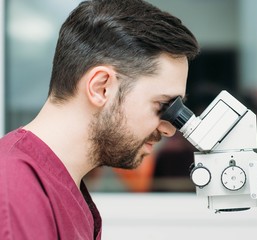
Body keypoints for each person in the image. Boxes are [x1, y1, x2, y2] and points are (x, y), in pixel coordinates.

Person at [0, 0, 199, 239]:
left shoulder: (62, 187)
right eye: (163, 106)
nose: (169, 129)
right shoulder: (13, 188)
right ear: (101, 87)